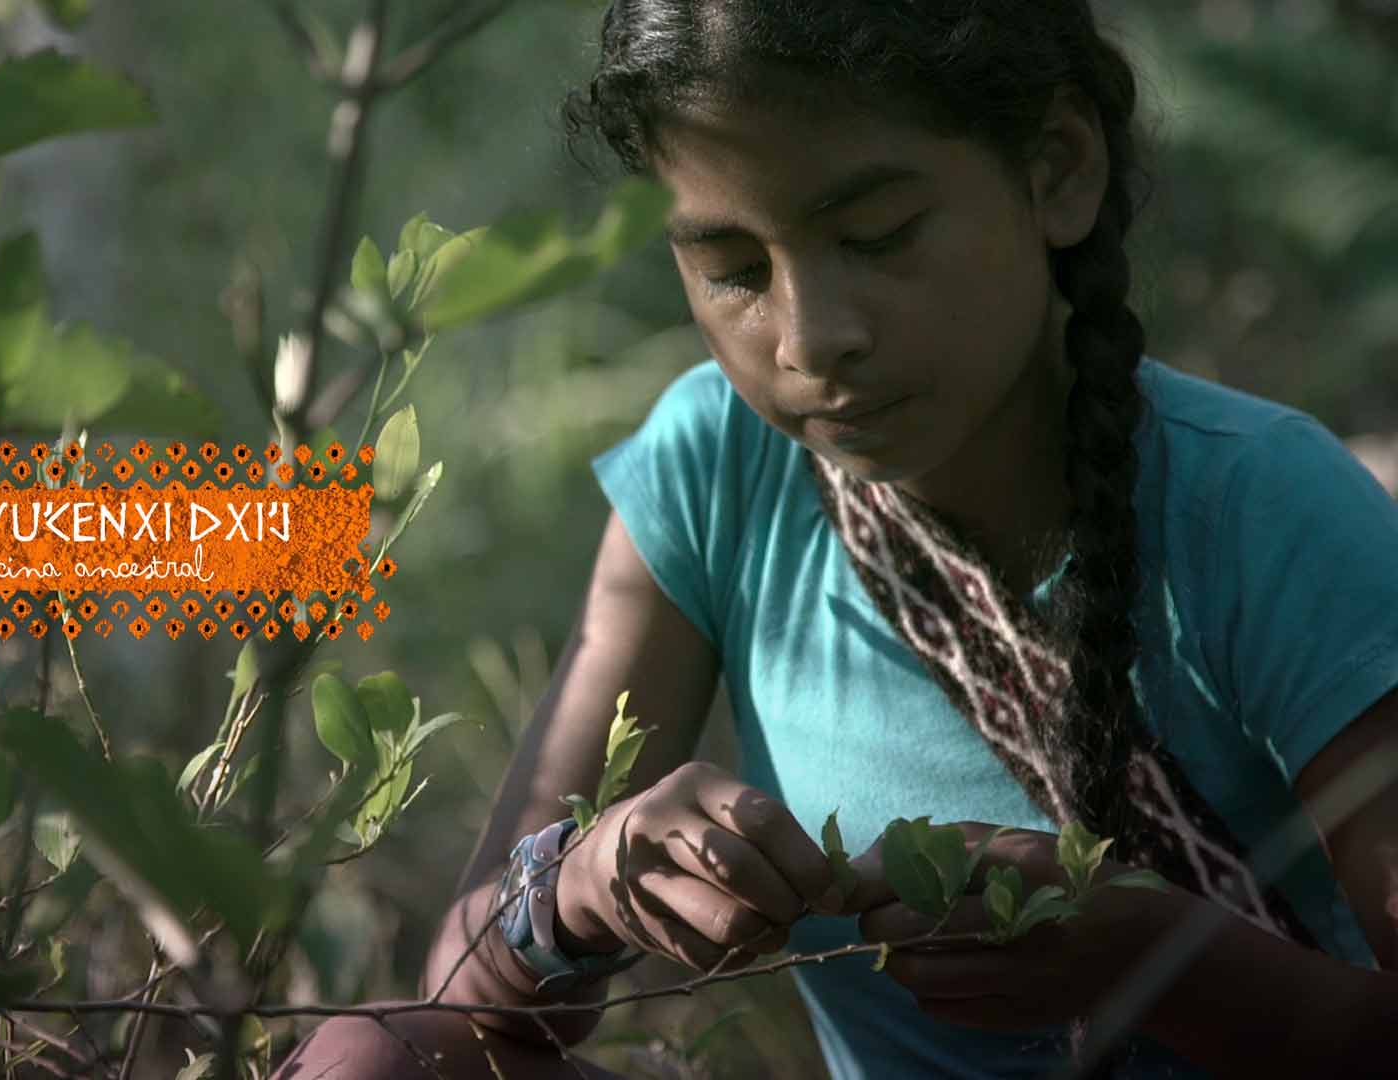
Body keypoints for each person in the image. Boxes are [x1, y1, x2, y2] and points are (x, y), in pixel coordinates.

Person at [277, 2, 1398, 1076]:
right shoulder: (719, 470)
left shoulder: (1262, 508)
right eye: (734, 270)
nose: (811, 340)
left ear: (1058, 169)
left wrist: (1156, 963)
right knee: (371, 1062)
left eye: (878, 237)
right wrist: (584, 886)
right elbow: (464, 995)